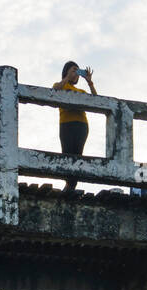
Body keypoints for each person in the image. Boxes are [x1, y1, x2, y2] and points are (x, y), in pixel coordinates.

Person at [53, 61, 96, 192]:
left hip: (82, 126)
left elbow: (96, 100)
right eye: (74, 70)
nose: (76, 73)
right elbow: (55, 91)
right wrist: (67, 77)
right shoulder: (60, 85)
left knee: (78, 156)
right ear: (66, 71)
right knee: (67, 154)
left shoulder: (81, 91)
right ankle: (69, 185)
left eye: (78, 71)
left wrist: (90, 82)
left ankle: (71, 186)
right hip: (66, 124)